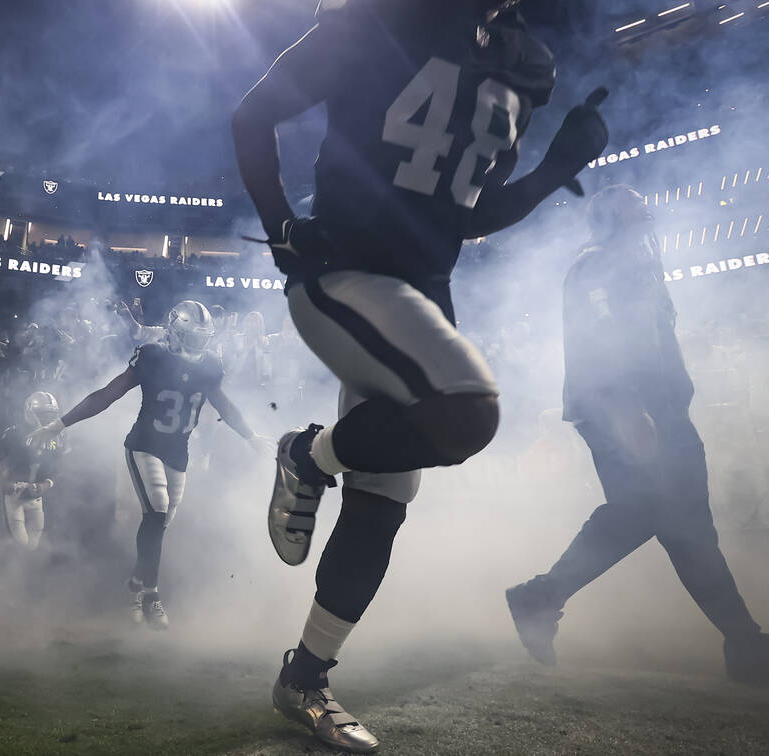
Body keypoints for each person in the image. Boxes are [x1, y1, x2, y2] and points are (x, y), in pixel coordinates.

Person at [230, 1, 608, 750]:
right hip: (341, 276)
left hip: (421, 300)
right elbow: (252, 116)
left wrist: (556, 168)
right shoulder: (377, 21)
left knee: (382, 502)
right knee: (469, 411)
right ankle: (307, 454)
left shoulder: (521, 62)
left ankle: (304, 677)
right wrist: (279, 223)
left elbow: (469, 213)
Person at [506, 185, 769, 684]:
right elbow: (603, 339)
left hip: (660, 409)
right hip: (623, 409)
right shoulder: (597, 265)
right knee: (645, 511)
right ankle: (539, 596)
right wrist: (629, 407)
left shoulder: (639, 267)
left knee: (687, 526)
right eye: (637, 214)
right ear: (611, 221)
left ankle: (745, 642)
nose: (648, 222)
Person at [28, 301, 264, 630]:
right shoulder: (153, 355)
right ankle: (151, 595)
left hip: (178, 453)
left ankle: (135, 585)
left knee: (160, 524)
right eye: (193, 337)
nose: (199, 343)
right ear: (177, 333)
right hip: (143, 446)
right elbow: (108, 393)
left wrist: (251, 437)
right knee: (156, 512)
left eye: (202, 337)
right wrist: (58, 425)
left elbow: (222, 403)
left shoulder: (210, 364)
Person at [0, 391, 63, 551]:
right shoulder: (13, 433)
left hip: (37, 496)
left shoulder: (56, 437)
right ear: (30, 413)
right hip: (15, 493)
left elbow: (58, 468)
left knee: (34, 545)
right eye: (43, 414)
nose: (48, 419)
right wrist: (4, 481)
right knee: (19, 544)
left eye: (51, 415)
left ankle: (28, 573)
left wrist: (46, 485)